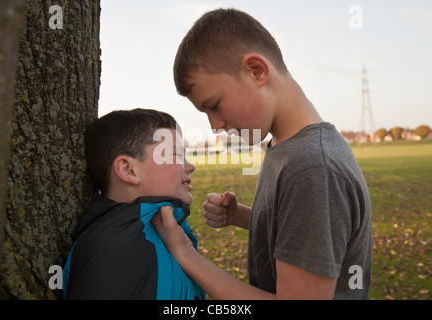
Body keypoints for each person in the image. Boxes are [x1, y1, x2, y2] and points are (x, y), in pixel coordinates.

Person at [152, 8, 372, 299]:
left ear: (257, 71)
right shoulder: (288, 146)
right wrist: (241, 216)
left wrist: (185, 253)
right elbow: (300, 229)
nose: (215, 126)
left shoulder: (313, 168)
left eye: (215, 105)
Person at [62, 108, 205, 300]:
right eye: (177, 155)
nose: (191, 166)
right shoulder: (112, 249)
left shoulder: (164, 230)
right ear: (128, 170)